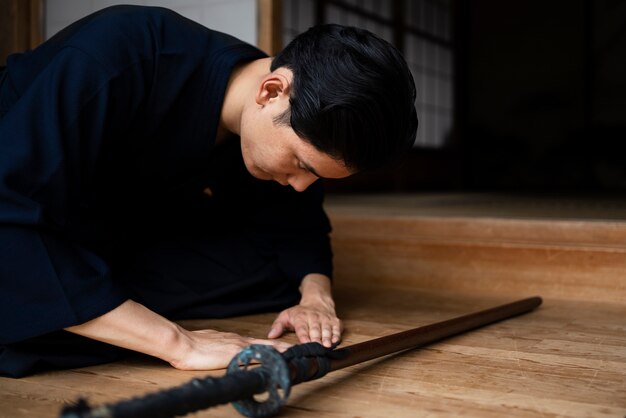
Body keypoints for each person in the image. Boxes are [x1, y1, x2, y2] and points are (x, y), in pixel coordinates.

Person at [0, 5, 418, 378]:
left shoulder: (269, 123)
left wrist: (316, 297)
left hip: (106, 232)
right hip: (23, 218)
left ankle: (90, 307)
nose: (301, 185)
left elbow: (296, 224)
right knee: (23, 299)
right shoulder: (119, 52)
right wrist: (179, 343)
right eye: (303, 165)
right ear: (272, 91)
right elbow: (11, 207)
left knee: (277, 272)